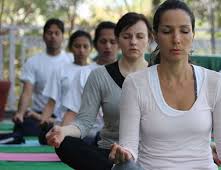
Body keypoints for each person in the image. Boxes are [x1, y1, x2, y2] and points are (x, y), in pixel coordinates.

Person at [109, 0, 221, 170]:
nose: (176, 39)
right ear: (155, 36)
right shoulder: (136, 83)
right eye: (167, 31)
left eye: (184, 31)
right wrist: (123, 155)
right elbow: (129, 148)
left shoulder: (216, 82)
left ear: (193, 35)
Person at [46, 12, 152, 170]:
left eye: (140, 36)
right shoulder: (99, 75)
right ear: (118, 39)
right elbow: (84, 123)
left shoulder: (159, 73)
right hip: (109, 154)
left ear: (149, 39)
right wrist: (63, 130)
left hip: (149, 152)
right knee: (65, 143)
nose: (133, 42)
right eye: (127, 36)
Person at [12, 18, 73, 137]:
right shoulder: (33, 62)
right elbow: (27, 93)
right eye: (50, 33)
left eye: (57, 33)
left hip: (65, 116)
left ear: (62, 37)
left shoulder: (71, 60)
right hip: (38, 115)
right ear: (44, 36)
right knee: (21, 127)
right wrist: (20, 113)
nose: (53, 36)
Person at [61, 21, 118, 145]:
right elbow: (72, 110)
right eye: (103, 42)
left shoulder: (130, 74)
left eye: (113, 42)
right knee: (67, 143)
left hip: (121, 137)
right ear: (95, 45)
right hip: (90, 135)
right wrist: (61, 134)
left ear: (119, 44)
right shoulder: (84, 73)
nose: (108, 46)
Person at [35, 30, 92, 144]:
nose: (81, 50)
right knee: (44, 135)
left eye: (85, 46)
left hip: (89, 124)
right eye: (77, 46)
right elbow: (51, 102)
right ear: (71, 48)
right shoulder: (60, 70)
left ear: (91, 48)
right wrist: (43, 121)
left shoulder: (96, 71)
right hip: (64, 123)